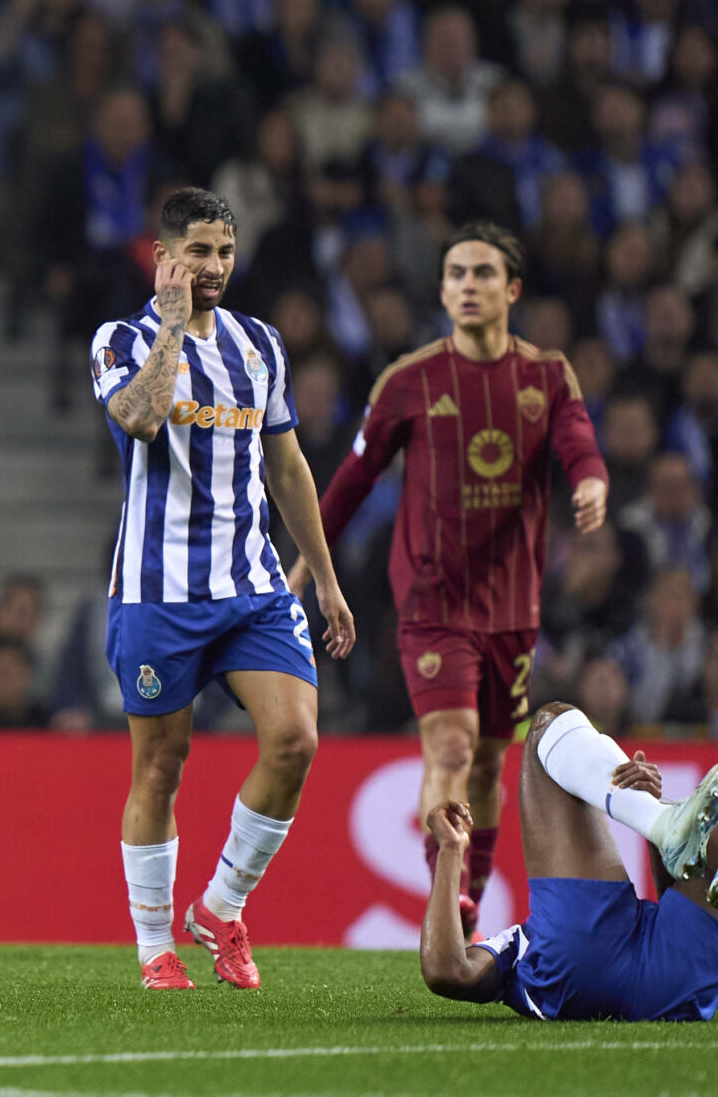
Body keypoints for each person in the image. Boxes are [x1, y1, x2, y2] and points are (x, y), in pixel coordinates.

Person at [90, 187, 356, 991]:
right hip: (156, 590)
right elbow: (138, 418)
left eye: (225, 252)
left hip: (252, 585)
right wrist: (171, 324)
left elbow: (286, 465)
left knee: (296, 740)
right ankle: (153, 948)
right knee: (161, 766)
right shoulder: (121, 337)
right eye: (199, 251)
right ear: (164, 255)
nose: (214, 267)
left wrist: (329, 579)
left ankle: (223, 905)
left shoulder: (261, 344)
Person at [311, 222, 608, 936]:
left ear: (512, 289)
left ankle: (469, 890)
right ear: (442, 289)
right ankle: (452, 893)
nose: (467, 285)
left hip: (512, 606)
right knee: (450, 744)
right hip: (431, 601)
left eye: (481, 273)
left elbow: (578, 441)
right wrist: (310, 567)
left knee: (488, 764)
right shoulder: (409, 381)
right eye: (455, 274)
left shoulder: (547, 375)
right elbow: (352, 481)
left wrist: (592, 481)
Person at [420, 702, 718, 1020]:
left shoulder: (507, 955)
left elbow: (447, 970)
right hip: (673, 978)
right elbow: (444, 972)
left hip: (599, 972)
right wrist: (643, 811)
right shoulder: (510, 952)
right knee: (548, 722)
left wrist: (450, 852)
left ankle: (662, 822)